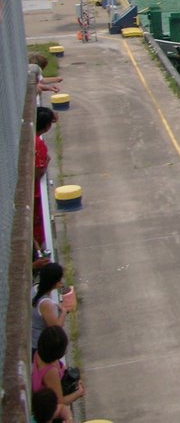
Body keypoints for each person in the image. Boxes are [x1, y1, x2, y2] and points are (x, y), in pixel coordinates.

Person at [32, 326, 84, 422]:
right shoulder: (51, 372)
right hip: (48, 413)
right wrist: (78, 393)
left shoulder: (39, 353)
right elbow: (60, 403)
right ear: (57, 352)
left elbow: (61, 367)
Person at [31, 263, 75, 354]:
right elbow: (56, 328)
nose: (61, 282)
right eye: (60, 280)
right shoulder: (46, 304)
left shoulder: (35, 288)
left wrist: (57, 305)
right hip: (40, 347)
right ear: (55, 283)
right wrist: (64, 311)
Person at [33, 106, 58, 253]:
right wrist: (47, 160)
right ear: (47, 126)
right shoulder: (38, 144)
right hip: (34, 195)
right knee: (37, 225)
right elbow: (38, 172)